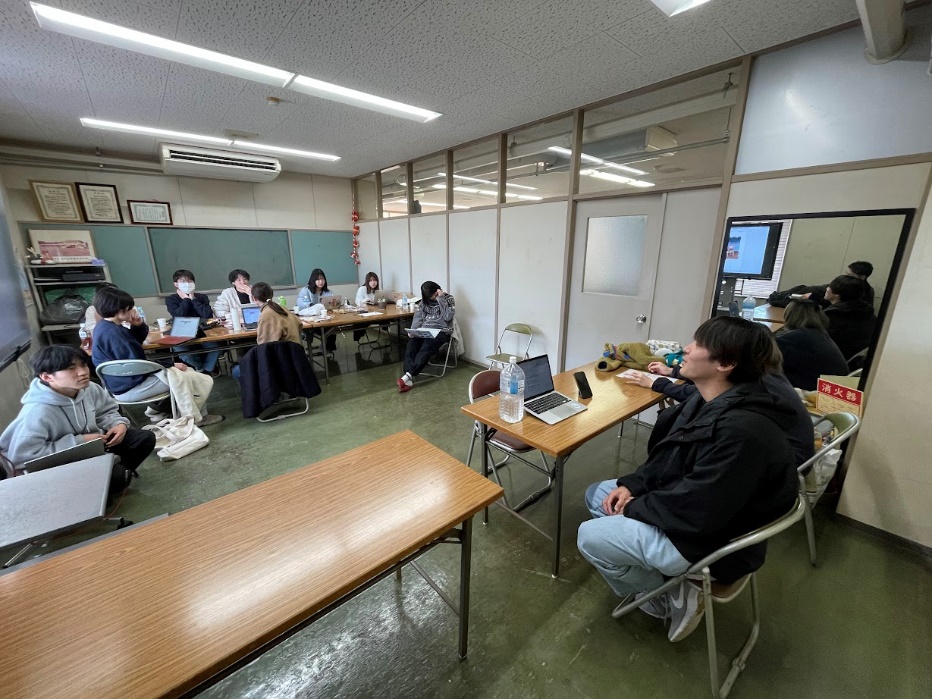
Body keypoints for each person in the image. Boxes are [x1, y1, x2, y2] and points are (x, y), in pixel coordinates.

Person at [578, 317, 798, 643]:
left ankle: (667, 593)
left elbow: (699, 509)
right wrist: (633, 485)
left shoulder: (743, 431)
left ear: (725, 363)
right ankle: (666, 576)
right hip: (697, 511)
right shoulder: (713, 397)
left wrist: (637, 507)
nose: (686, 349)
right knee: (599, 494)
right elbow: (671, 458)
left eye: (697, 345)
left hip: (713, 542)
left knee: (589, 535)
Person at [627, 336, 815, 468]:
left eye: (701, 344)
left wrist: (658, 383)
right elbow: (712, 378)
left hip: (778, 468)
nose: (688, 348)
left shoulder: (742, 415)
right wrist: (672, 372)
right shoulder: (765, 376)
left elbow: (695, 392)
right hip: (782, 459)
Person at [0, 345, 155, 499]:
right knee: (116, 477)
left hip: (92, 447)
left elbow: (106, 411)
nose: (83, 372)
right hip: (60, 462)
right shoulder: (37, 412)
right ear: (47, 377)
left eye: (83, 365)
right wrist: (79, 441)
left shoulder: (89, 389)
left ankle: (103, 481)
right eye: (70, 368)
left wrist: (118, 424)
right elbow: (22, 458)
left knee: (144, 439)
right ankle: (98, 485)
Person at [91, 286, 223, 426]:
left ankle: (160, 411)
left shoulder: (105, 327)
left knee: (185, 373)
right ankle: (197, 418)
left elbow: (133, 348)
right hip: (132, 386)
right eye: (129, 308)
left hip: (121, 383)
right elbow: (138, 364)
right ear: (119, 310)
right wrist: (171, 365)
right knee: (191, 378)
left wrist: (138, 325)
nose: (132, 311)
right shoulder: (115, 333)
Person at [231, 282, 303, 379]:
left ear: (254, 298)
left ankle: (261, 391)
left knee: (236, 371)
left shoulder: (266, 314)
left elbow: (263, 347)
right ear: (271, 294)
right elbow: (299, 324)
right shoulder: (282, 308)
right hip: (293, 357)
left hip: (279, 361)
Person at [774, 300, 848, 390]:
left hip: (815, 389)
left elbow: (765, 352)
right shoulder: (819, 334)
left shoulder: (794, 338)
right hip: (835, 386)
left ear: (790, 316)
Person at [396, 281, 455, 392]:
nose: (434, 298)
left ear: (439, 290)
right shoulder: (424, 302)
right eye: (432, 297)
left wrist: (440, 298)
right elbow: (418, 317)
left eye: (435, 295)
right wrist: (413, 330)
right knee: (411, 344)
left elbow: (447, 317)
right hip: (425, 330)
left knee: (427, 346)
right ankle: (408, 376)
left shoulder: (448, 299)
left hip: (441, 331)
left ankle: (408, 376)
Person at [165, 269, 222, 376]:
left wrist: (193, 299)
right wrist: (186, 300)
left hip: (203, 330)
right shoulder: (171, 299)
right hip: (182, 332)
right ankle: (200, 369)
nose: (187, 284)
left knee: (216, 347)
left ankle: (207, 369)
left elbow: (207, 315)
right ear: (176, 284)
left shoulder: (201, 297)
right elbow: (178, 315)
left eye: (190, 281)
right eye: (183, 281)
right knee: (181, 351)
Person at [767, 259, 875, 308]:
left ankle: (779, 299)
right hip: (824, 303)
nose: (846, 276)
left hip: (825, 308)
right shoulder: (844, 284)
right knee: (804, 290)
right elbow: (822, 289)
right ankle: (780, 297)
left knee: (806, 298)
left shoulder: (864, 293)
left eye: (850, 275)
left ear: (862, 277)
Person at [823, 274, 876, 361]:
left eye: (829, 287)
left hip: (833, 362)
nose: (826, 288)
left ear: (837, 294)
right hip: (854, 362)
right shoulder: (869, 314)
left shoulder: (833, 316)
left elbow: (820, 342)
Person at [296, 268, 336, 353]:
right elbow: (300, 302)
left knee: (332, 328)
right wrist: (311, 305)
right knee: (322, 330)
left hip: (324, 319)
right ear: (313, 280)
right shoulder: (306, 290)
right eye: (318, 279)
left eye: (322, 279)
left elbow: (332, 303)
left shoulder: (328, 292)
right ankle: (315, 349)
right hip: (311, 320)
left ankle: (328, 349)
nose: (320, 281)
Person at [354, 272, 380, 341]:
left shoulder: (378, 291)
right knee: (361, 323)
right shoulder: (362, 289)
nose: (373, 283)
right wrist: (363, 301)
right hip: (364, 313)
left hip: (375, 313)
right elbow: (357, 302)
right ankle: (358, 335)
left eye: (375, 280)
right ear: (367, 282)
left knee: (386, 320)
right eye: (370, 281)